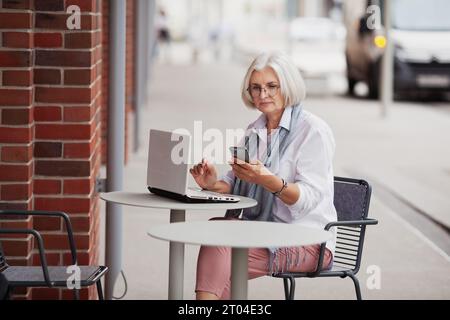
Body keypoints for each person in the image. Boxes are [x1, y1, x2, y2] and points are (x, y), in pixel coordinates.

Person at [189, 52, 337, 300]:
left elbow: (305, 202)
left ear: (287, 86)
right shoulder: (255, 129)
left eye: (271, 86)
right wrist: (212, 184)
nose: (262, 94)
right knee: (218, 241)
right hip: (262, 231)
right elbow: (236, 183)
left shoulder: (313, 131)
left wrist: (267, 180)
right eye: (255, 88)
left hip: (309, 241)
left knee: (221, 246)